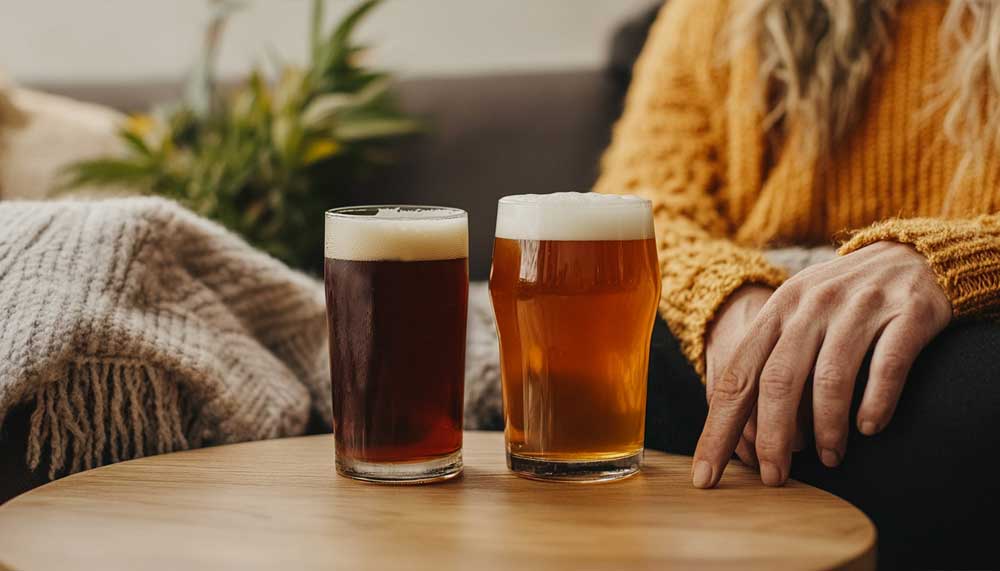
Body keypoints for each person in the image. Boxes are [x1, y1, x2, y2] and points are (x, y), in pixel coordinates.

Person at [595, 0, 1000, 567]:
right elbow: (638, 206)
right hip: (745, 321)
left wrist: (943, 261)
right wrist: (728, 296)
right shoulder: (713, 13)